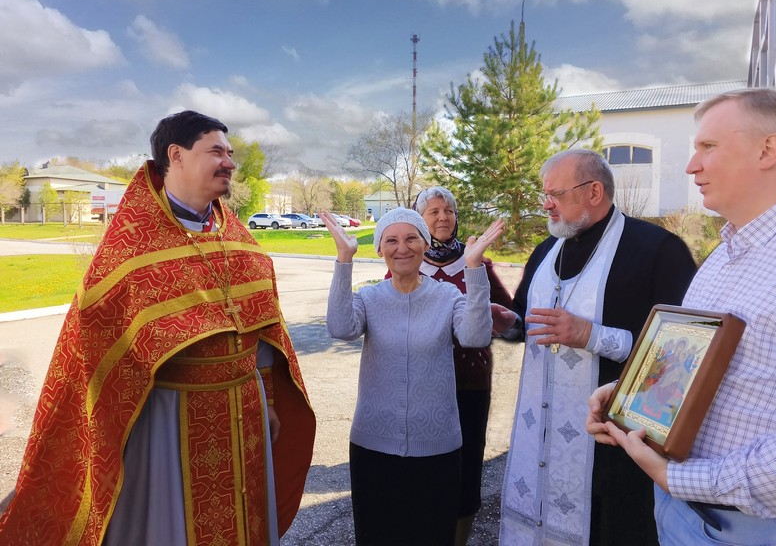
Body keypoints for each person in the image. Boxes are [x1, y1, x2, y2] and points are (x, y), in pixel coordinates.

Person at [0, 110, 316, 545]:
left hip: (246, 412)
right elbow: (94, 360)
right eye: (216, 152)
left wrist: (270, 400)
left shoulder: (239, 240)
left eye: (230, 153)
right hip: (168, 420)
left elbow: (262, 331)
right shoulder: (131, 246)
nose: (229, 162)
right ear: (176, 155)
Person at [587, 87, 776, 545]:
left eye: (709, 146)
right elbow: (705, 364)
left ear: (768, 149)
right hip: (683, 510)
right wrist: (629, 396)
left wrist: (678, 478)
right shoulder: (727, 252)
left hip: (756, 528)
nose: (690, 166)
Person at [494, 148, 696, 546]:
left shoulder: (658, 250)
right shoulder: (546, 251)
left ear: (594, 191)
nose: (546, 204)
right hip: (544, 439)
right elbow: (525, 317)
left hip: (615, 442)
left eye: (556, 194)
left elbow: (684, 355)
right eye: (545, 194)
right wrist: (509, 324)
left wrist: (593, 336)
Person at [322, 208, 503, 545]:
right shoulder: (370, 297)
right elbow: (340, 327)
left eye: (411, 238)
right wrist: (344, 258)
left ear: (425, 244)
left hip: (436, 448)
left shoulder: (447, 296)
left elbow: (475, 336)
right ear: (380, 249)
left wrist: (474, 268)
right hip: (373, 446)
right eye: (391, 240)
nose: (401, 248)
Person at [410, 186, 513, 545]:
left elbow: (511, 318)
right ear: (420, 219)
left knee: (466, 468)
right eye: (433, 211)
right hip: (420, 385)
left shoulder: (477, 262)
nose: (443, 217)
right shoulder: (407, 260)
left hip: (470, 382)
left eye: (449, 211)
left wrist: (499, 319)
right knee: (423, 468)